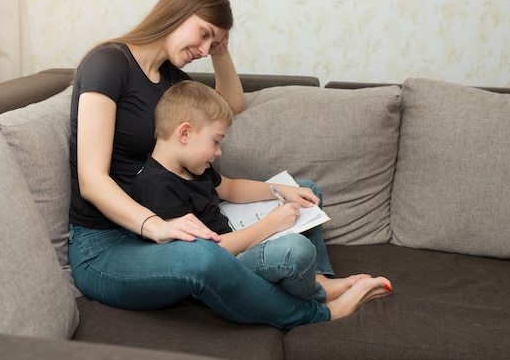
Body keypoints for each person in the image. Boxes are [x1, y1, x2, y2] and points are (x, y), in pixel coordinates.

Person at [68, 0, 391, 330]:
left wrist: (221, 47)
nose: (205, 50)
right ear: (177, 11)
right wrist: (156, 226)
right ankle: (320, 311)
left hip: (172, 225)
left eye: (214, 41)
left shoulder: (172, 80)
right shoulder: (108, 64)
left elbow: (230, 105)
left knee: (303, 191)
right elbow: (91, 180)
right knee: (204, 259)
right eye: (204, 34)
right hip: (106, 245)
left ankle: (318, 281)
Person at [131, 81, 393, 304]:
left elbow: (231, 188)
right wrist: (270, 225)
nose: (219, 152)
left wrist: (283, 190)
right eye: (216, 141)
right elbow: (199, 257)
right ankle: (316, 292)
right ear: (185, 133)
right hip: (222, 261)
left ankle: (320, 278)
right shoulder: (157, 186)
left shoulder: (194, 167)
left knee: (306, 191)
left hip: (235, 232)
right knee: (294, 250)